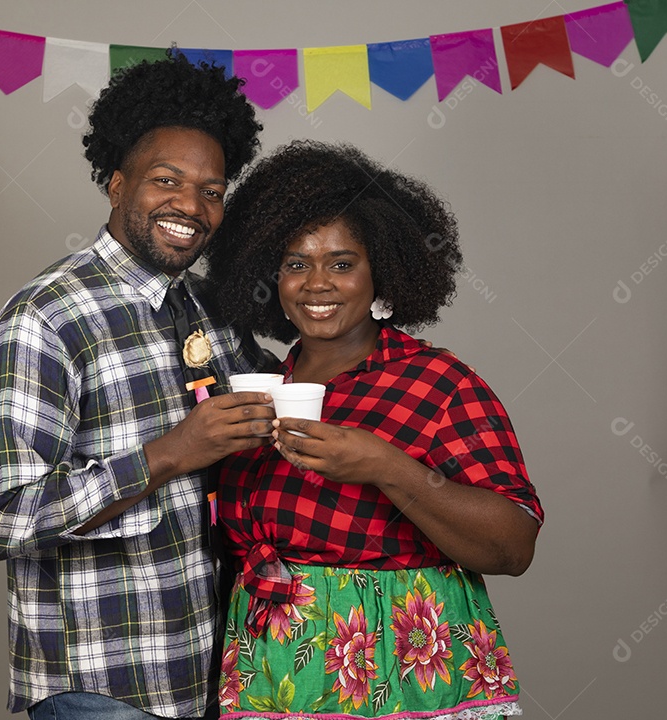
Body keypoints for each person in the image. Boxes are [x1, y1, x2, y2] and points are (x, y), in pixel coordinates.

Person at [0, 54, 278, 720]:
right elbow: (4, 517)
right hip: (102, 688)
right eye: (167, 180)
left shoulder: (215, 309)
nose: (191, 206)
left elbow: (292, 408)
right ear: (115, 183)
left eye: (213, 190)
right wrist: (167, 454)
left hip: (214, 674)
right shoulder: (45, 317)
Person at [204, 141, 544, 720]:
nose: (317, 283)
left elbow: (513, 547)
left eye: (342, 263)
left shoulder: (439, 382)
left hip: (403, 673)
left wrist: (387, 467)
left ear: (380, 269)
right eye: (295, 263)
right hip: (273, 671)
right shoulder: (255, 387)